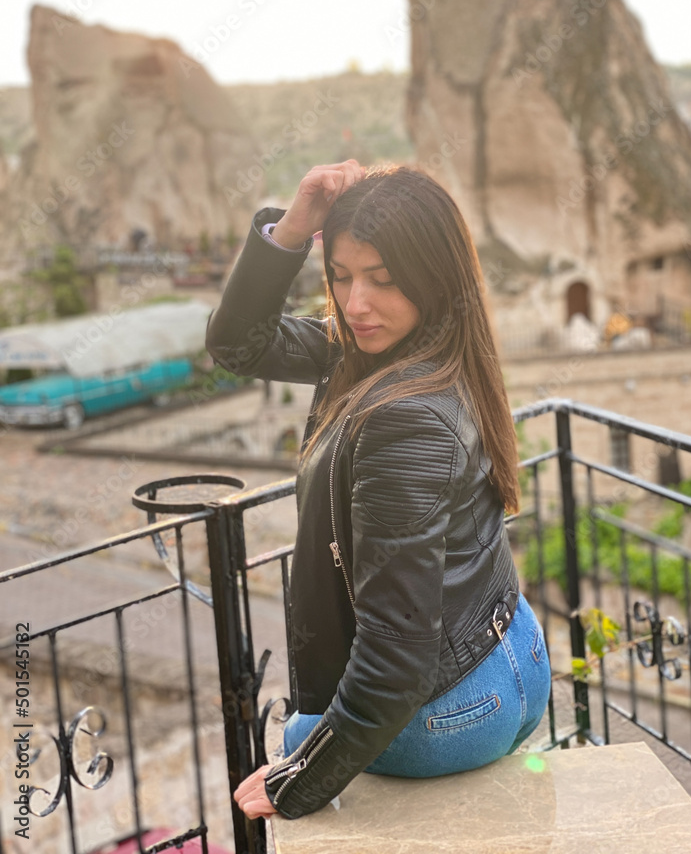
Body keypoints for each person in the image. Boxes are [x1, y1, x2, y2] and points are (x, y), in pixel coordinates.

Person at [205, 159, 551, 821]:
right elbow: (238, 346)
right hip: (514, 651)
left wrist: (298, 782)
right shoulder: (405, 345)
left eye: (383, 280)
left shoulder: (407, 417)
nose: (356, 303)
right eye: (340, 277)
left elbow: (396, 658)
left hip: (458, 707)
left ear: (433, 278)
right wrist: (294, 226)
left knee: (299, 734)